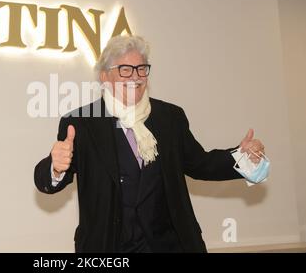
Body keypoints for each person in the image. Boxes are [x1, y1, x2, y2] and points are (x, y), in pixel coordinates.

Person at [34, 35, 266, 253]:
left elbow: (200, 163)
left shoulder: (170, 117)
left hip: (172, 245)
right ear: (104, 76)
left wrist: (241, 156)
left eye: (141, 69)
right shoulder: (81, 123)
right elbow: (49, 182)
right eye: (125, 69)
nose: (135, 77)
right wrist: (55, 167)